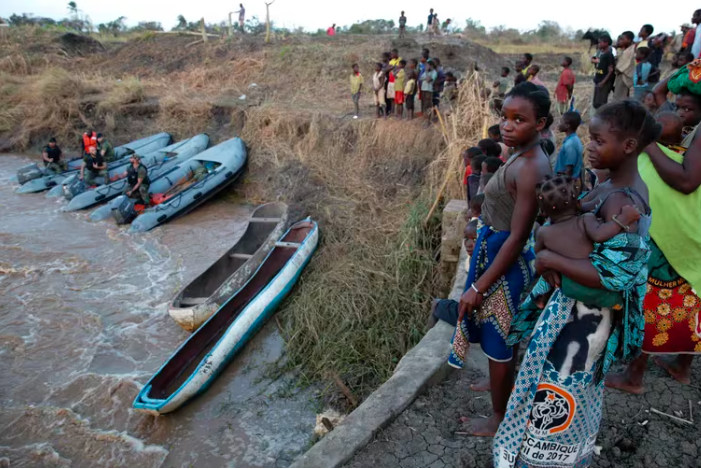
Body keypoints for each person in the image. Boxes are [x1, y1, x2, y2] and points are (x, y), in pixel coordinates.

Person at [495, 100, 658, 468]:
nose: (590, 147)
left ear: (629, 146)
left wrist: (550, 260)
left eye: (599, 141)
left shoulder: (622, 198)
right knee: (554, 388)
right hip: (571, 313)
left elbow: (612, 278)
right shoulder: (609, 186)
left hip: (586, 321)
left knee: (561, 391)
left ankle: (547, 462)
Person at [445, 82, 552, 437]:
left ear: (541, 123)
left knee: (499, 339)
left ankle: (499, 419)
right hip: (495, 253)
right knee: (497, 339)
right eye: (504, 117)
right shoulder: (521, 155)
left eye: (518, 119)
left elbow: (519, 236)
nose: (507, 126)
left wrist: (478, 285)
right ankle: (498, 387)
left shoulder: (532, 166)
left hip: (505, 265)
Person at [606, 63, 701, 396]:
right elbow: (659, 94)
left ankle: (634, 376)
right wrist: (686, 71)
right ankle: (682, 366)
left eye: (686, 108)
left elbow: (688, 182)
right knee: (691, 295)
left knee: (654, 297)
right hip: (690, 229)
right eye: (679, 106)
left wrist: (649, 145)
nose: (677, 111)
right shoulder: (688, 128)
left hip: (680, 229)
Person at [530, 175, 642, 309]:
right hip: (592, 287)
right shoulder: (585, 219)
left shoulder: (543, 231)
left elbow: (539, 253)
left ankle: (542, 298)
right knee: (616, 297)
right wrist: (623, 219)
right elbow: (600, 235)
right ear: (578, 203)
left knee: (550, 273)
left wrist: (545, 271)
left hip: (568, 285)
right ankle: (617, 306)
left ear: (542, 212)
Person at [554, 111, 583, 179]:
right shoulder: (573, 139)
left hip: (564, 183)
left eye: (561, 122)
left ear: (567, 126)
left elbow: (568, 171)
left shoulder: (570, 144)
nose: (558, 124)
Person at [592, 35, 615, 109]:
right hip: (598, 81)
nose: (599, 44)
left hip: (603, 83)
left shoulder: (609, 55)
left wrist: (603, 82)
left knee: (601, 103)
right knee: (596, 103)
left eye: (600, 42)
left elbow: (611, 70)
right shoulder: (601, 53)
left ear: (606, 43)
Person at [613, 32, 636, 101]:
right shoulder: (624, 50)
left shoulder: (630, 50)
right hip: (622, 77)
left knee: (620, 99)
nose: (620, 41)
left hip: (625, 77)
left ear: (629, 40)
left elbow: (619, 67)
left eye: (622, 39)